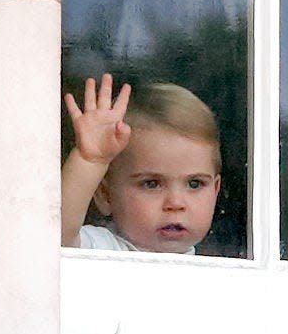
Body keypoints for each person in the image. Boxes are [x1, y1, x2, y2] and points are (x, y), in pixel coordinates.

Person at [61, 73, 221, 254]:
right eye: (151, 184)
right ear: (106, 195)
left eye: (195, 184)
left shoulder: (218, 269)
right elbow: (53, 235)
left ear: (215, 191)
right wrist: (89, 160)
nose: (176, 203)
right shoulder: (101, 249)